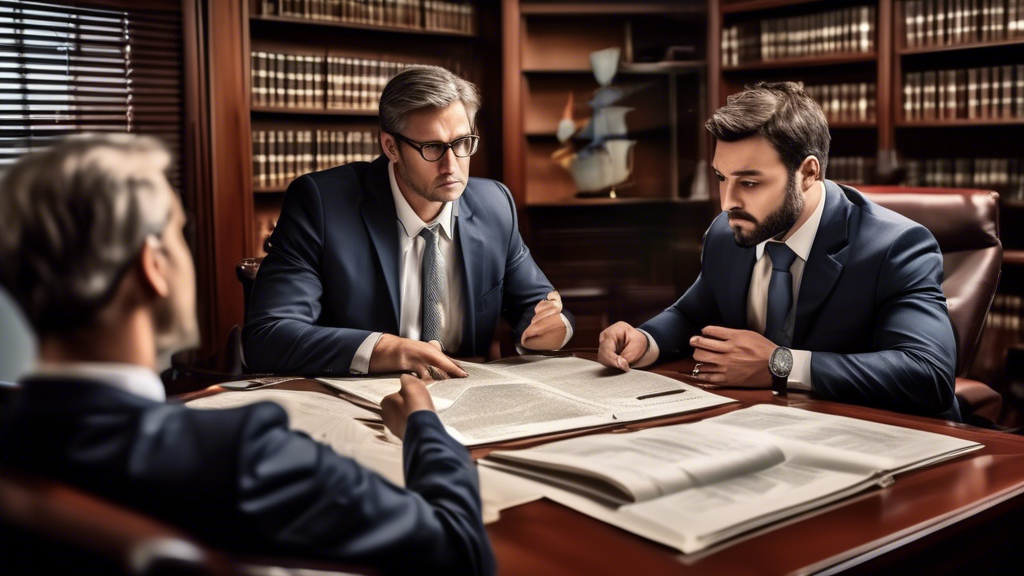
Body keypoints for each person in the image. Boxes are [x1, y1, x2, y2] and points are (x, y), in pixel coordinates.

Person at [0, 134, 496, 575]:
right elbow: (459, 549)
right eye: (179, 233)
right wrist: (425, 430)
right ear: (153, 266)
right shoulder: (241, 457)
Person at [597, 81, 959, 422]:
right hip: (760, 426)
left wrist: (779, 364)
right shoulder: (728, 233)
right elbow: (693, 313)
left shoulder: (897, 246)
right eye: (722, 178)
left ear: (807, 173)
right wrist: (645, 340)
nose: (726, 203)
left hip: (881, 436)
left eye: (750, 183)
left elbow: (928, 374)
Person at [244, 65, 573, 378]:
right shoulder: (321, 203)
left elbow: (540, 309)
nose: (451, 166)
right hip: (363, 406)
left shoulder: (494, 206)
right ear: (391, 146)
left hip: (472, 401)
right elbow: (268, 335)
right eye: (432, 147)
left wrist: (554, 328)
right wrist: (384, 350)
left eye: (462, 143)